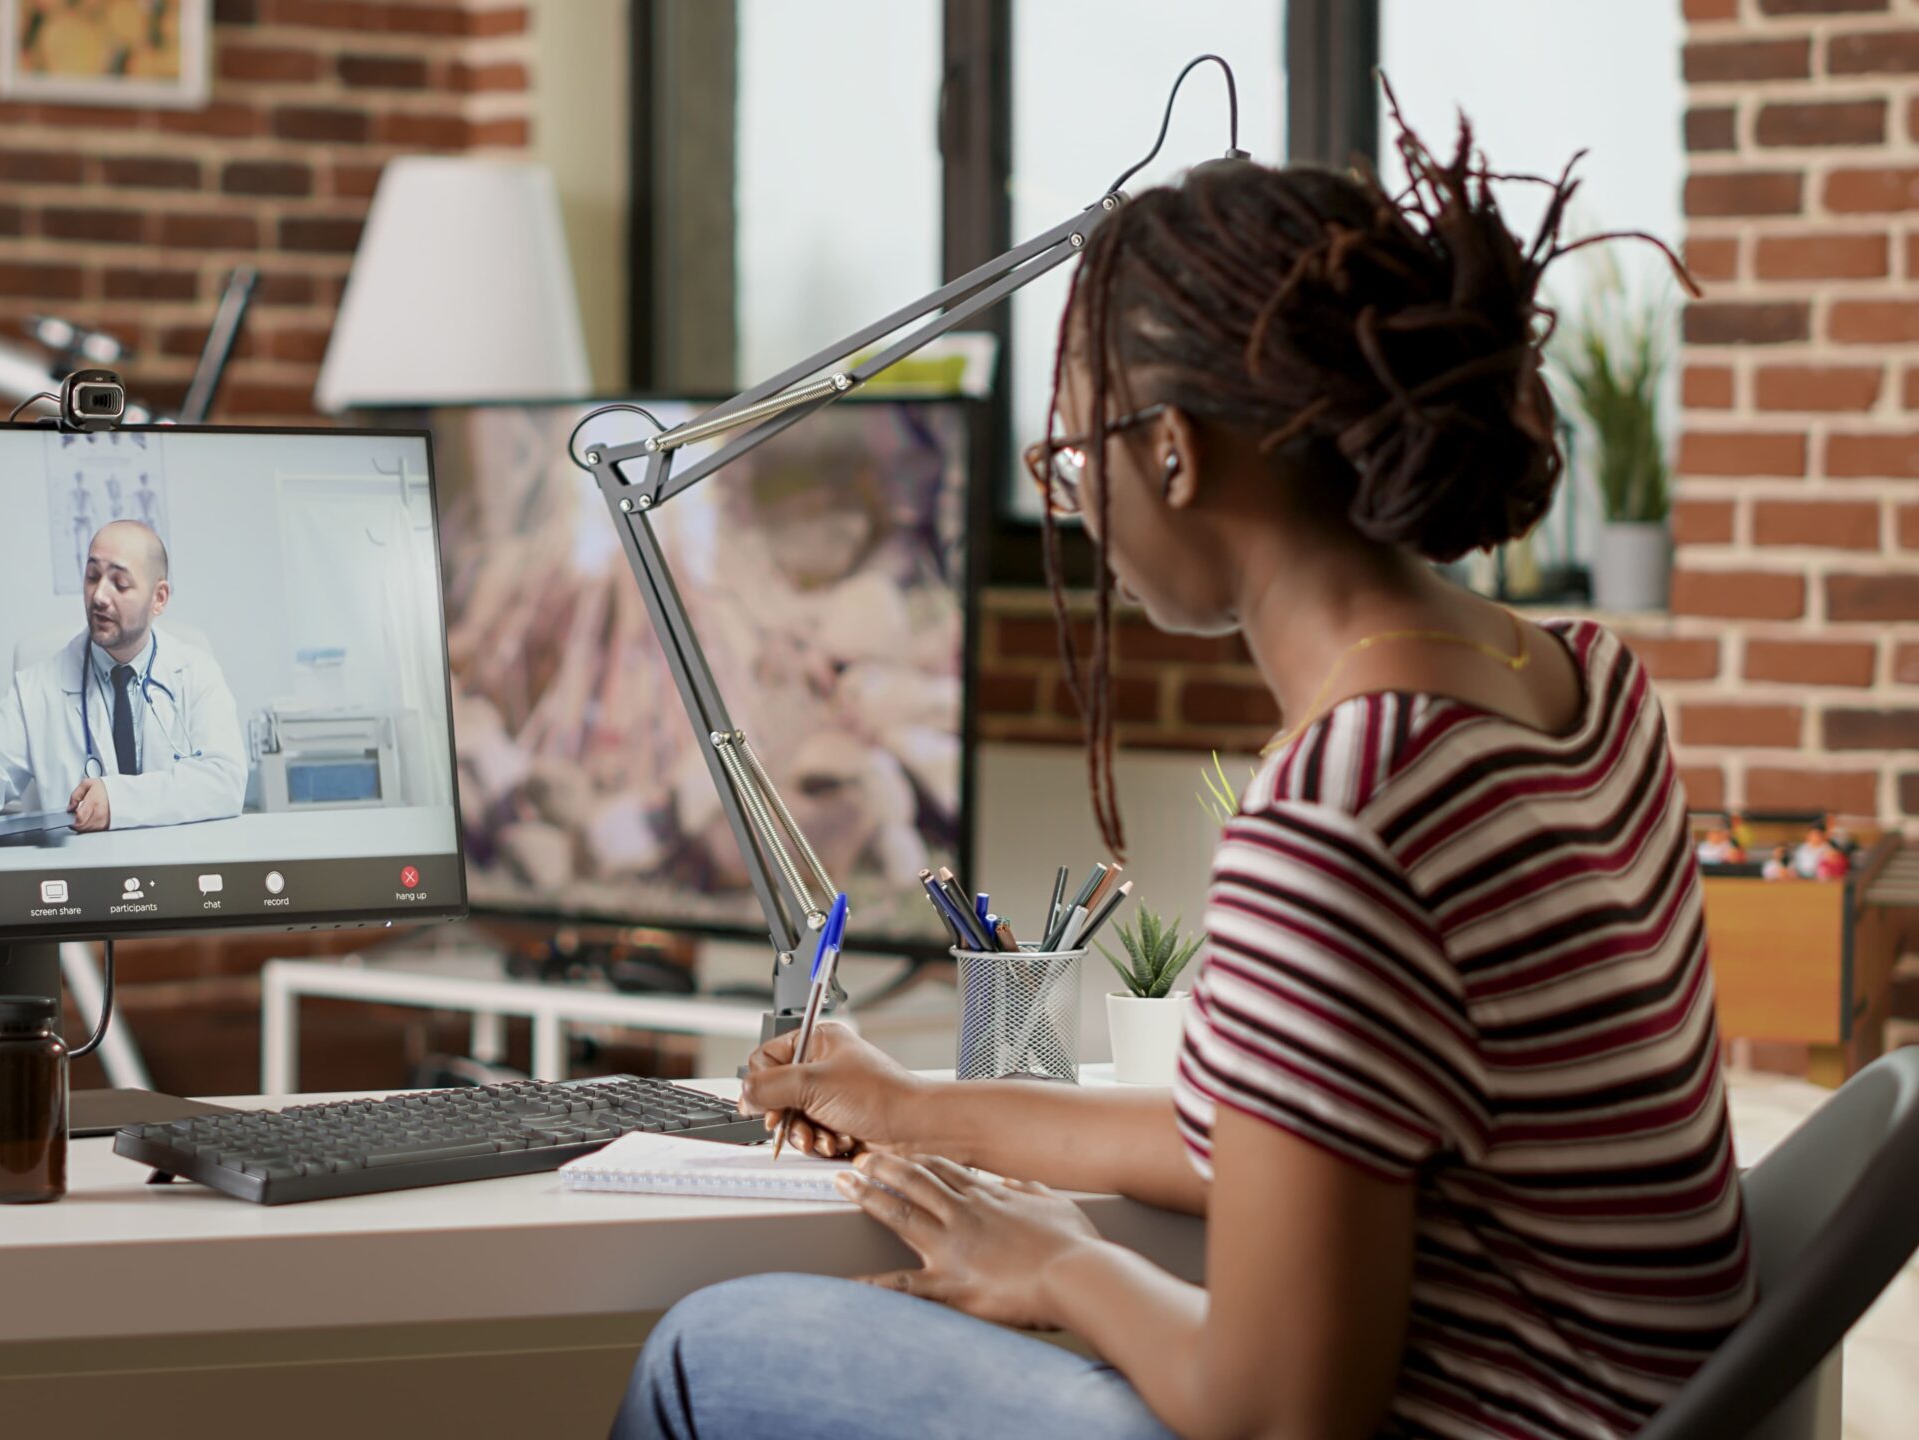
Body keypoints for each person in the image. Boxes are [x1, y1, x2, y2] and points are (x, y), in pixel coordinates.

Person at [616, 102, 1753, 1440]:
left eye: (1070, 454)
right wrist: (916, 1107)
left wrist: (1063, 1268)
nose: (1075, 502)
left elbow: (1278, 1414)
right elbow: (1283, 1135)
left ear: (1173, 448)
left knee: (705, 1349)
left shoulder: (1343, 807)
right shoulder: (1580, 678)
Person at [0, 520, 247, 833]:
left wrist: (117, 801)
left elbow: (225, 781)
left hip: (181, 880)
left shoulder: (196, 673)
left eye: (119, 583)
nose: (99, 596)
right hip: (81, 889)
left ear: (159, 598)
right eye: (92, 576)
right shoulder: (39, 687)